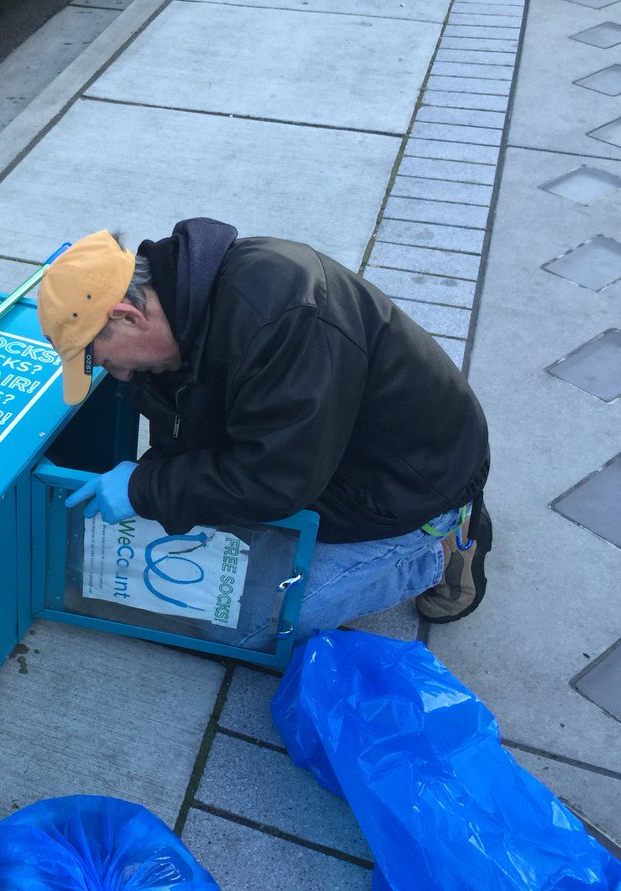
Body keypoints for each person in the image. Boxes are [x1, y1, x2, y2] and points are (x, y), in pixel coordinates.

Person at [36, 220, 491, 636]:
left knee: (243, 626)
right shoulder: (180, 311)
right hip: (319, 454)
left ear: (129, 316)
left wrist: (144, 488)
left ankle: (439, 547)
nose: (116, 375)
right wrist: (155, 480)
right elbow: (187, 433)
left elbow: (277, 479)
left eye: (104, 359)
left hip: (407, 484)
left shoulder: (284, 315)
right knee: (198, 596)